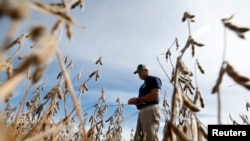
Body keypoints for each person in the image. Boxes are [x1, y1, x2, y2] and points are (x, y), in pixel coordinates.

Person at [128, 64, 162, 141]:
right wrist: (134, 102)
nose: (139, 75)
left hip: (150, 109)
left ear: (146, 71)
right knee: (138, 137)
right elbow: (141, 100)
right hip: (142, 111)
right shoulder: (141, 87)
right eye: (138, 73)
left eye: (140, 72)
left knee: (150, 136)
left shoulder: (153, 79)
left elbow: (155, 95)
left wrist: (137, 100)